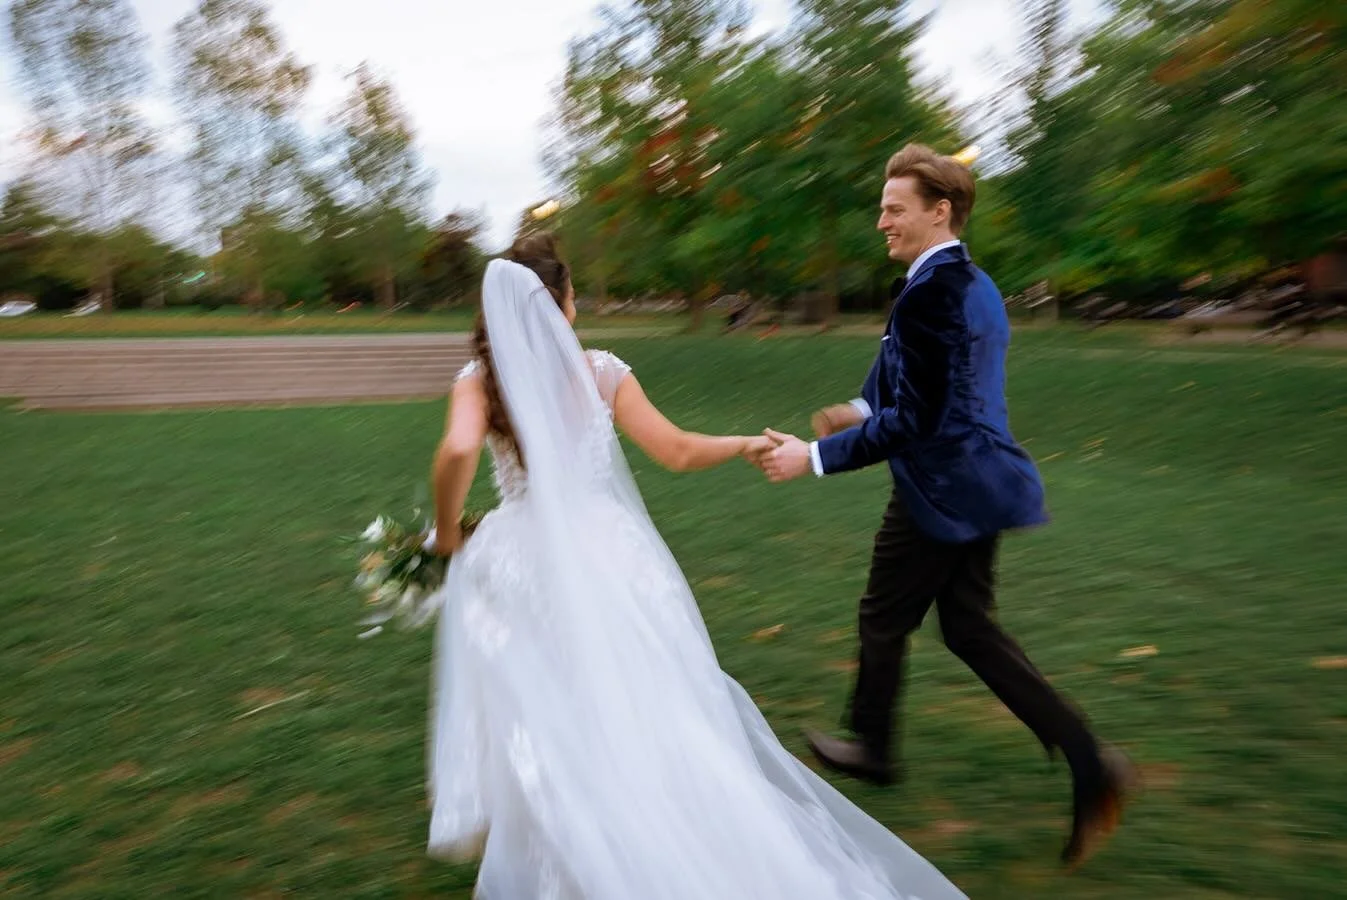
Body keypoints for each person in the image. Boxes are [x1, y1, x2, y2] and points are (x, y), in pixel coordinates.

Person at [425, 233, 967, 899]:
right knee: (644, 703)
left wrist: (449, 535)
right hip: (610, 555)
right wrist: (742, 441)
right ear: (562, 306)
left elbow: (455, 452)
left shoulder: (480, 382)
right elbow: (675, 450)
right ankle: (653, 827)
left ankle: (568, 854)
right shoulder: (599, 372)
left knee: (549, 709)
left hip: (522, 564)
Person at [757, 144, 1136, 867]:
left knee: (884, 613)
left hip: (943, 488)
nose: (881, 222)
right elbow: (912, 384)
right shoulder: (960, 283)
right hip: (978, 481)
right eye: (880, 208)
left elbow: (917, 421)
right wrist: (855, 405)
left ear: (940, 211)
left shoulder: (931, 292)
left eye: (894, 209)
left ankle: (872, 746)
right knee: (967, 628)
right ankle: (1092, 763)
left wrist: (809, 458)